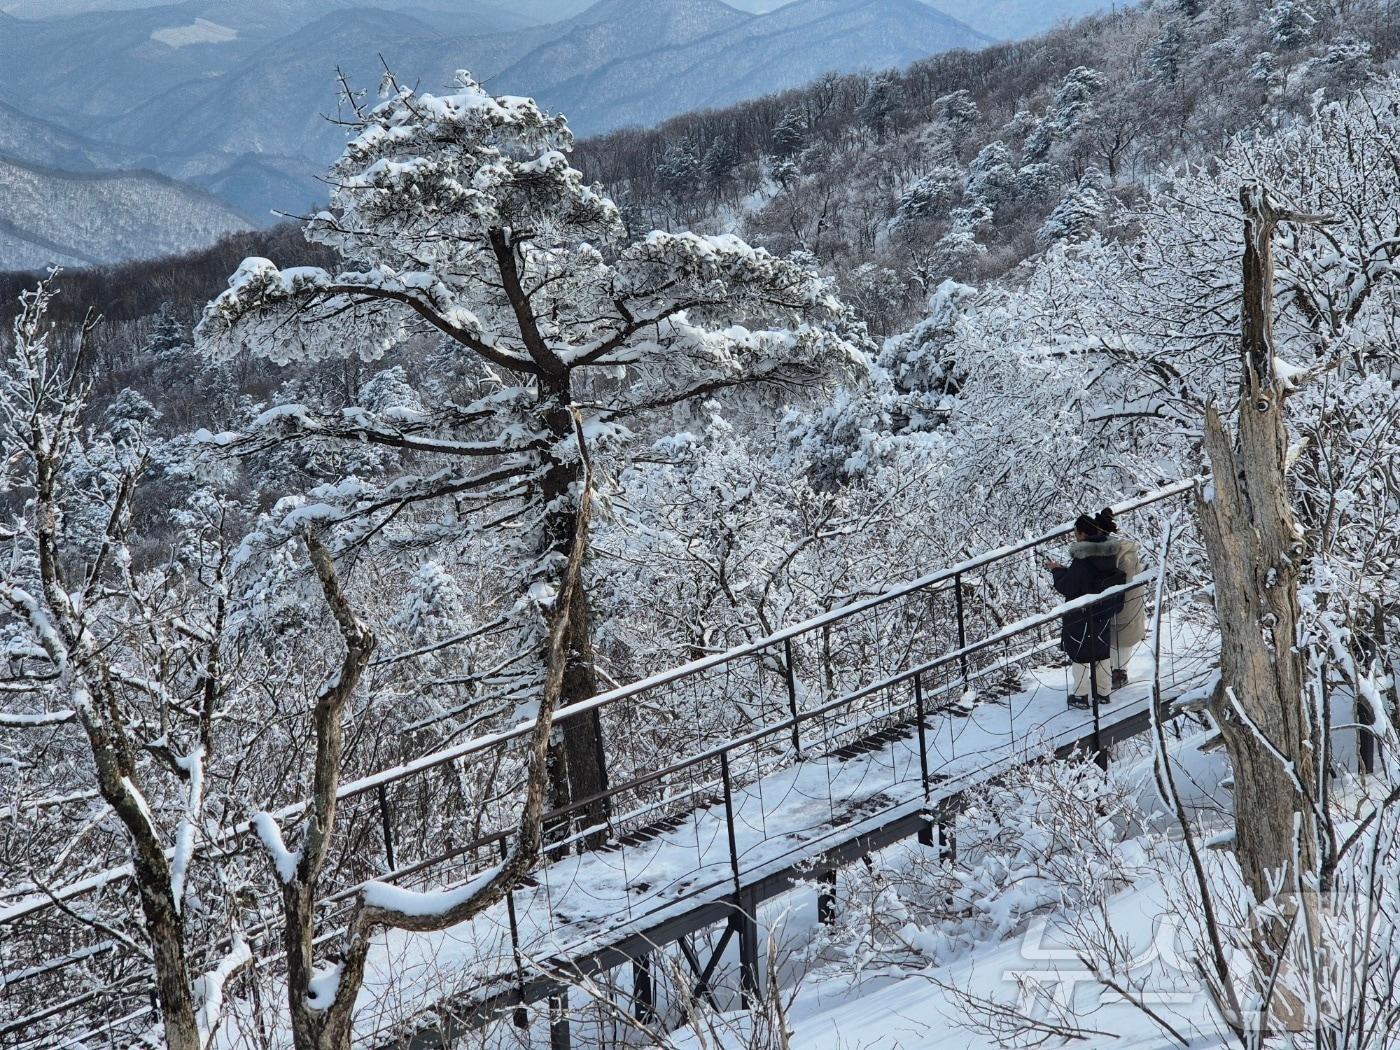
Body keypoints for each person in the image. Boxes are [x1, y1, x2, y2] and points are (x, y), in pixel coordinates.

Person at [1044, 512, 1127, 708]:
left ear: (1081, 534)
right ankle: (1103, 693)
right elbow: (1088, 578)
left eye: (1075, 533)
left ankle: (1081, 696)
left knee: (1079, 651)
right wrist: (1068, 570)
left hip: (1080, 612)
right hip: (1102, 610)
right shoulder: (1108, 552)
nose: (1074, 536)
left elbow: (1069, 586)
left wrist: (1057, 571)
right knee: (1101, 650)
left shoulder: (1082, 559)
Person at [1091, 507, 1145, 689]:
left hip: (1124, 600)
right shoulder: (1124, 549)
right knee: (1120, 636)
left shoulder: (1117, 552)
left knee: (1120, 636)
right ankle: (1117, 671)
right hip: (1127, 600)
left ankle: (1119, 672)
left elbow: (1121, 575)